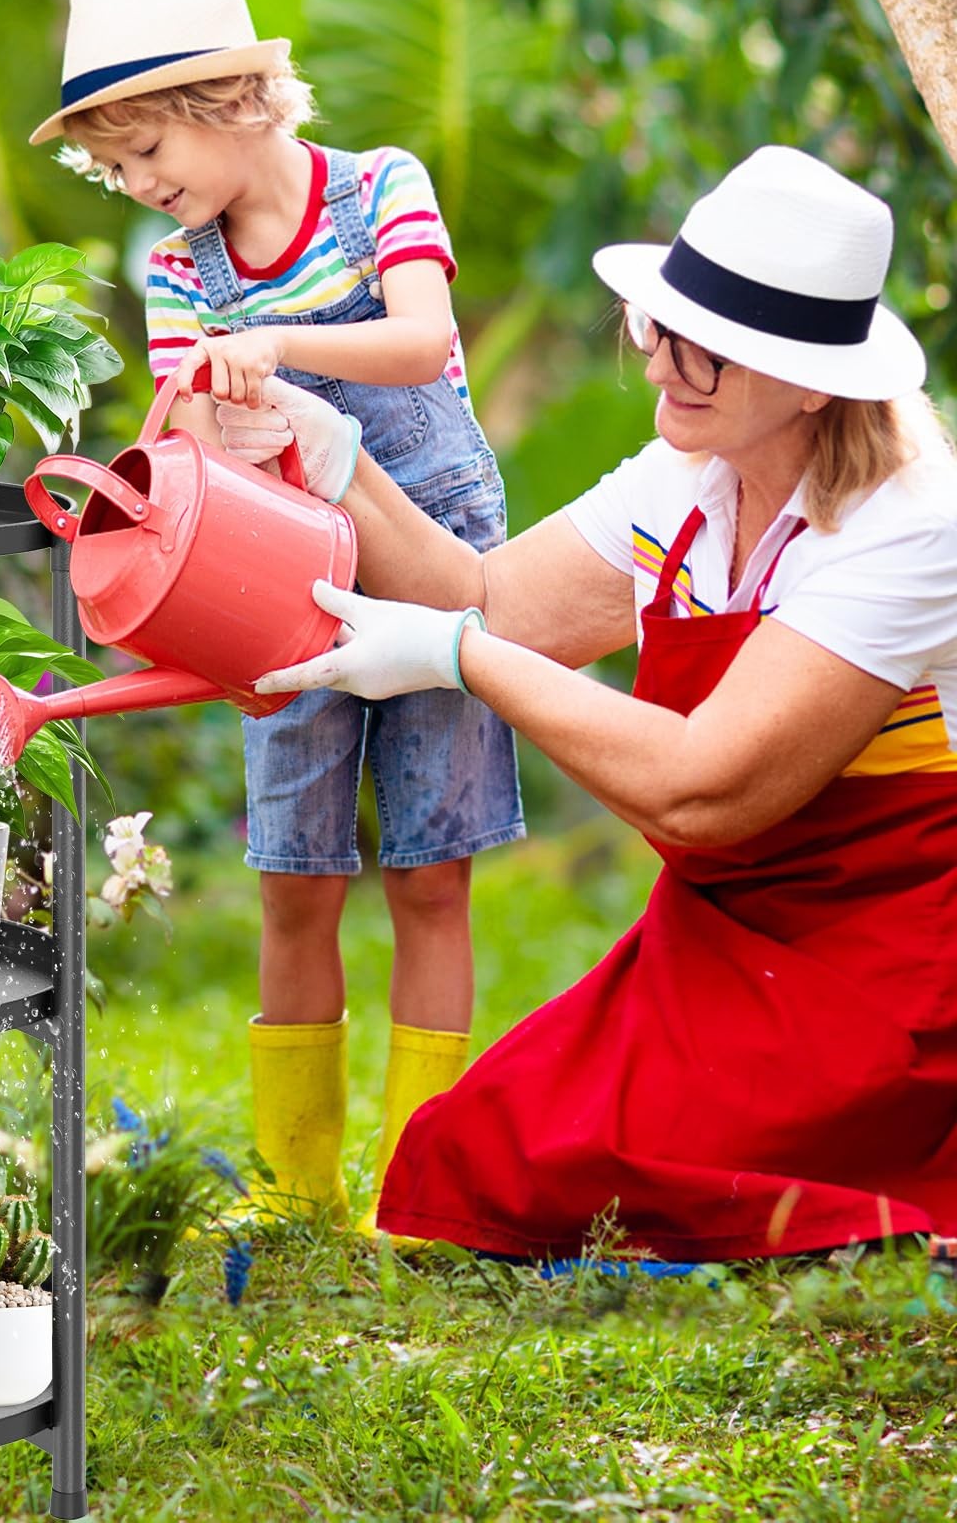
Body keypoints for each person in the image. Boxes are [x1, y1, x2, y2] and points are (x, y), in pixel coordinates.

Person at [223, 145, 957, 1260]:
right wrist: (341, 466)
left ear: (814, 383)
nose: (661, 364)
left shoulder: (909, 526)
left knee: (718, 1198)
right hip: (721, 938)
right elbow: (491, 599)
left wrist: (456, 660)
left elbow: (707, 789)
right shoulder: (689, 470)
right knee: (472, 1162)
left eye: (708, 351)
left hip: (895, 958)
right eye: (658, 327)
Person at [31, 0, 523, 1233]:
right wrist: (213, 399)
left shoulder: (377, 192)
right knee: (295, 874)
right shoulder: (180, 272)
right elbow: (189, 436)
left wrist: (282, 346)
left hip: (435, 549)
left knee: (431, 871)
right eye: (116, 169)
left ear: (236, 98)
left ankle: (429, 1191)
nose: (139, 185)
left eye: (145, 148)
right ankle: (293, 1188)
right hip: (276, 573)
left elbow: (420, 342)